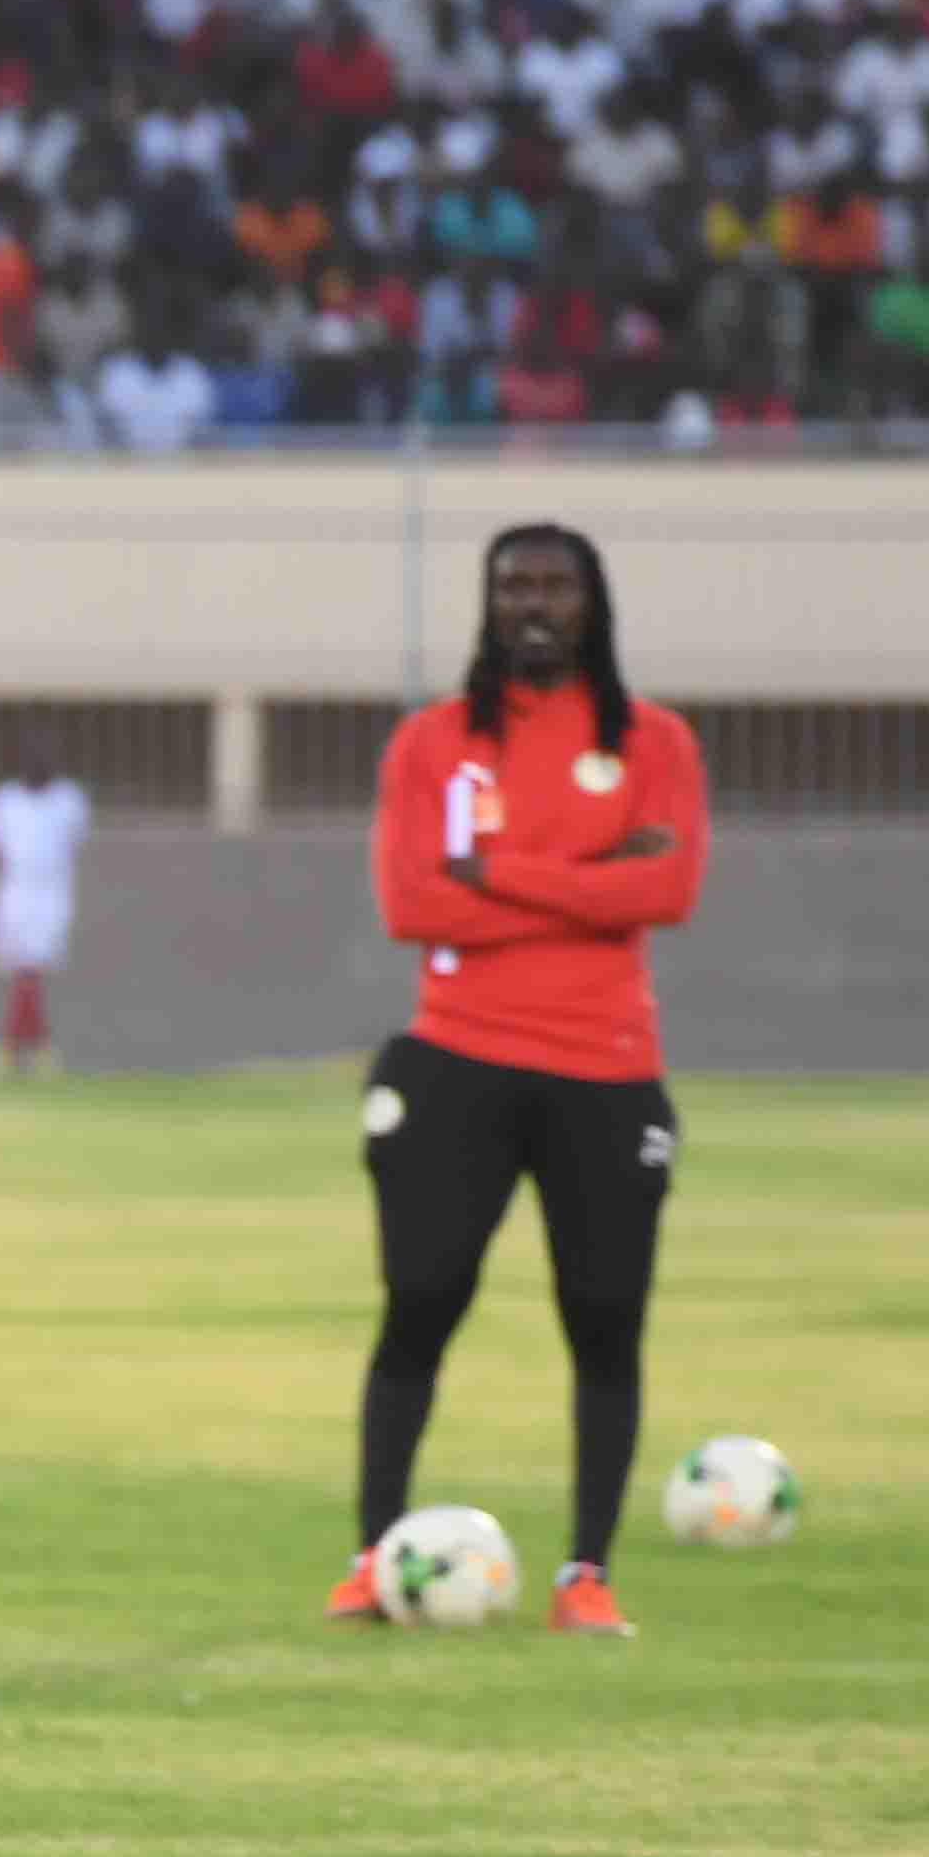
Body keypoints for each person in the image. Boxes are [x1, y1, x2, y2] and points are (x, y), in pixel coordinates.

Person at [339, 528, 705, 1638]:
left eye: (553, 585)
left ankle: (584, 1574)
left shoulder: (654, 742)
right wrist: (598, 880)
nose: (532, 604)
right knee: (421, 1302)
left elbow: (672, 885)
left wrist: (497, 872)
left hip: (606, 1070)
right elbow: (413, 905)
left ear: (593, 604)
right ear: (488, 606)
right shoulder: (432, 743)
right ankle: (372, 1557)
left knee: (603, 1320)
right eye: (512, 586)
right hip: (456, 1056)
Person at [0, 736, 91, 1080]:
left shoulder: (70, 800)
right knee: (21, 970)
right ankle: (36, 1049)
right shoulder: (3, 800)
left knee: (32, 970)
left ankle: (11, 1048)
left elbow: (75, 842)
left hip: (52, 891)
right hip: (15, 890)